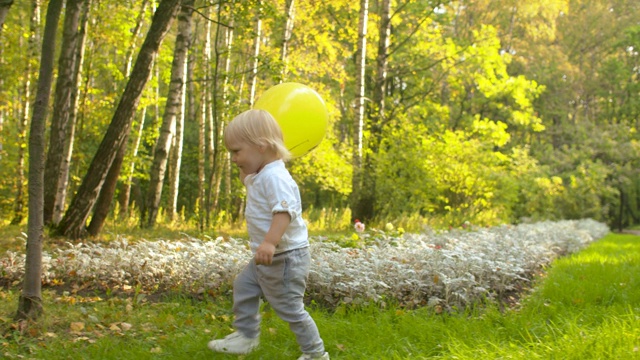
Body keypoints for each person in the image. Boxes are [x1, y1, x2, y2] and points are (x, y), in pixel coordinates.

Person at [208, 109, 329, 360]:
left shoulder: (275, 176)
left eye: (236, 151)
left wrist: (269, 243)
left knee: (290, 309)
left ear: (261, 146)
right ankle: (247, 336)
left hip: (284, 257)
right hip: (270, 255)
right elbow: (257, 188)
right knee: (244, 286)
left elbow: (284, 212)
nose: (233, 159)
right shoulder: (264, 174)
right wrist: (246, 176)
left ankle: (316, 354)